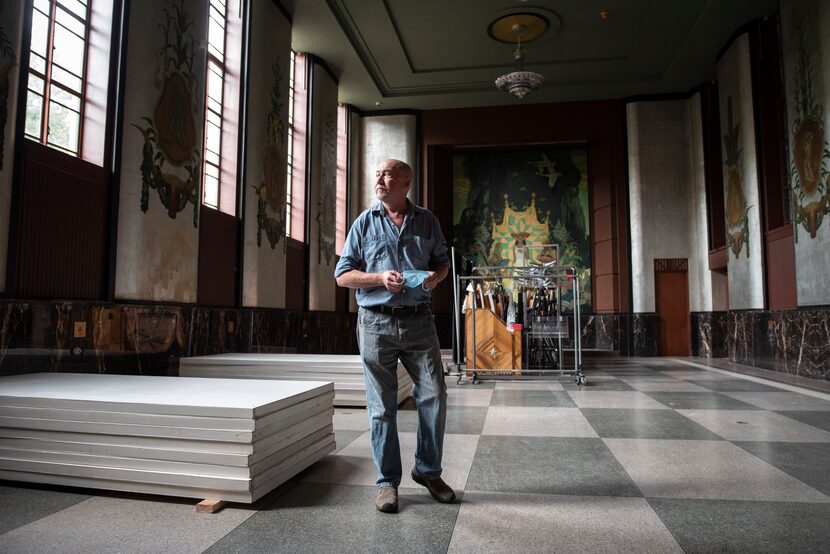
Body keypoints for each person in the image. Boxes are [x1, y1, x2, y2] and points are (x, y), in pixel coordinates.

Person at [334, 159, 456, 514]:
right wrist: (378, 278)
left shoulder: (427, 220)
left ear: (406, 182)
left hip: (420, 322)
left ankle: (428, 471)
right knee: (381, 408)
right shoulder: (364, 222)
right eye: (377, 174)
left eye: (387, 175)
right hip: (376, 324)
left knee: (434, 396)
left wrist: (435, 278)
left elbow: (442, 263)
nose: (379, 179)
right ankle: (387, 483)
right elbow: (342, 276)